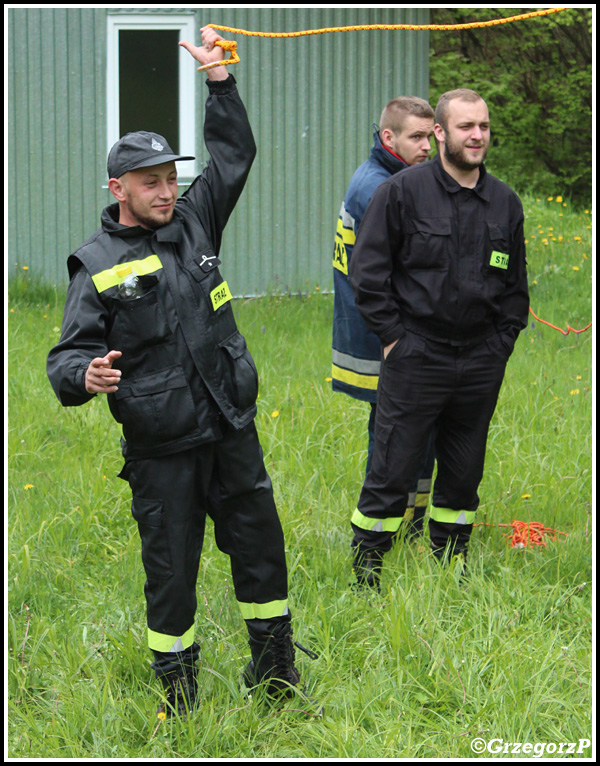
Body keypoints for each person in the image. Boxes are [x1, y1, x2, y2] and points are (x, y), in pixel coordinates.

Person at [47, 27, 316, 720]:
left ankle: (277, 677)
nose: (167, 191)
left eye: (171, 178)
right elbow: (66, 356)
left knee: (262, 553)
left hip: (231, 427)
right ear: (119, 187)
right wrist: (87, 376)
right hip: (162, 448)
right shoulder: (95, 261)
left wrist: (220, 81)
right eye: (151, 182)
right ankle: (180, 700)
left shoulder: (196, 223)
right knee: (172, 578)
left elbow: (234, 155)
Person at [349, 89, 529, 586]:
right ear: (440, 133)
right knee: (393, 468)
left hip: (480, 361)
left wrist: (500, 346)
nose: (477, 136)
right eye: (466, 126)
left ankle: (451, 566)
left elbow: (516, 289)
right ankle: (367, 572)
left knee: (463, 470)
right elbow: (368, 273)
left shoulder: (504, 203)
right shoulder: (402, 192)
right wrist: (393, 338)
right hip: (416, 354)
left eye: (484, 127)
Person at [331, 97, 436, 588]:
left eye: (431, 135)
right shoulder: (380, 189)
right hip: (383, 337)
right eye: (417, 137)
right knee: (394, 436)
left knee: (418, 428)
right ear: (388, 138)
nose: (428, 146)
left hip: (381, 331)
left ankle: (411, 522)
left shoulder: (389, 177)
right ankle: (379, 539)